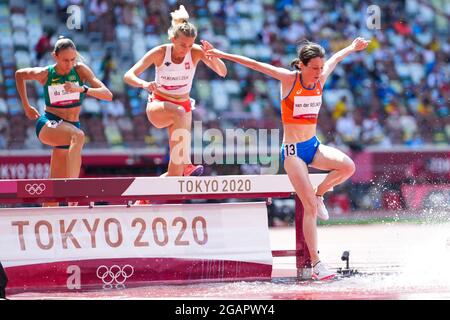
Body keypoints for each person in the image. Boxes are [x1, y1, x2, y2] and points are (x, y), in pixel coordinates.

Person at [206, 37, 369, 280]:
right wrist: (220, 53)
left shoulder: (321, 79)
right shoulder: (288, 79)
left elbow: (336, 58)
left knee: (348, 166)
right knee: (309, 208)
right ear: (301, 66)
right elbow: (255, 64)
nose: (318, 73)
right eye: (313, 68)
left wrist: (352, 47)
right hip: (292, 152)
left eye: (320, 68)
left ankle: (321, 191)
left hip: (313, 146)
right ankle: (316, 265)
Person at [123, 5, 227, 204]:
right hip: (159, 106)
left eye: (190, 45)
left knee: (175, 175)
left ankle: (143, 199)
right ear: (172, 40)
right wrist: (144, 84)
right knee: (180, 111)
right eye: (182, 46)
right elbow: (128, 75)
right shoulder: (161, 52)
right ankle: (187, 162)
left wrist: (212, 56)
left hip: (182, 108)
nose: (186, 50)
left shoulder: (195, 52)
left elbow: (222, 72)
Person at [16, 37, 113, 206]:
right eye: (65, 60)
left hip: (69, 128)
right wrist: (26, 106)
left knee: (54, 190)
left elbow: (107, 94)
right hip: (49, 124)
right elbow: (20, 75)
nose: (69, 64)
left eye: (72, 59)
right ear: (55, 56)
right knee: (79, 136)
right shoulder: (46, 74)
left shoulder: (80, 70)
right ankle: (74, 190)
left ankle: (47, 225)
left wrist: (81, 88)